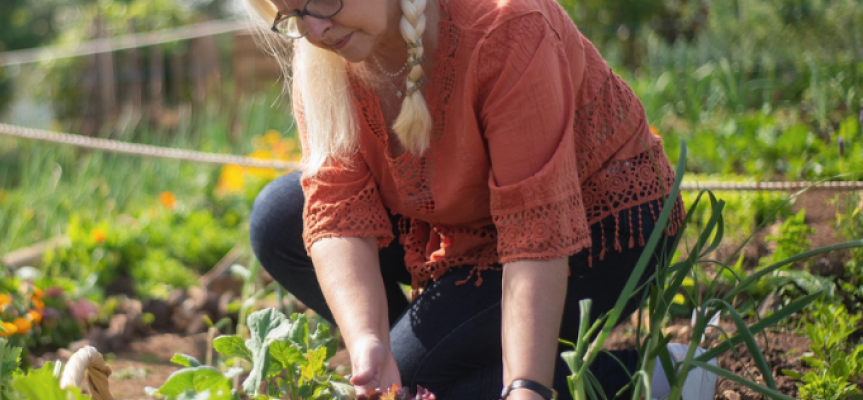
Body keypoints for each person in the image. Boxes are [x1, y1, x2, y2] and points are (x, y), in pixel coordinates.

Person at [242, 0, 710, 398]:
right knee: (280, 217)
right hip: (462, 222)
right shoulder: (322, 54)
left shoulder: (507, 25)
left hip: (599, 225)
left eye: (323, 1)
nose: (314, 29)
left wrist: (527, 385)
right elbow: (338, 206)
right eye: (291, 13)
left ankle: (662, 377)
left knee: (422, 380)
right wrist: (369, 342)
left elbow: (536, 233)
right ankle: (448, 358)